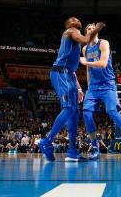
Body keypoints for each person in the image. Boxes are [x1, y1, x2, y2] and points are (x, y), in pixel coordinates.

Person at [37, 17, 104, 162]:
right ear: (69, 24)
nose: (78, 19)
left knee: (74, 112)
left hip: (68, 74)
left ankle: (72, 151)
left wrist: (79, 88)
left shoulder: (74, 39)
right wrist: (97, 29)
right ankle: (47, 141)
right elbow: (86, 39)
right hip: (61, 73)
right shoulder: (71, 31)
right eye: (74, 19)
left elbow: (72, 69)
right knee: (69, 109)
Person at [80, 24, 121, 160]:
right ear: (86, 33)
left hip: (108, 85)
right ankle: (95, 147)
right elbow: (88, 70)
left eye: (92, 28)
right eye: (88, 29)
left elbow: (103, 63)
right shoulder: (84, 49)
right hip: (93, 87)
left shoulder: (104, 43)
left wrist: (86, 61)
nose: (90, 29)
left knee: (112, 112)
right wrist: (88, 87)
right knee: (86, 113)